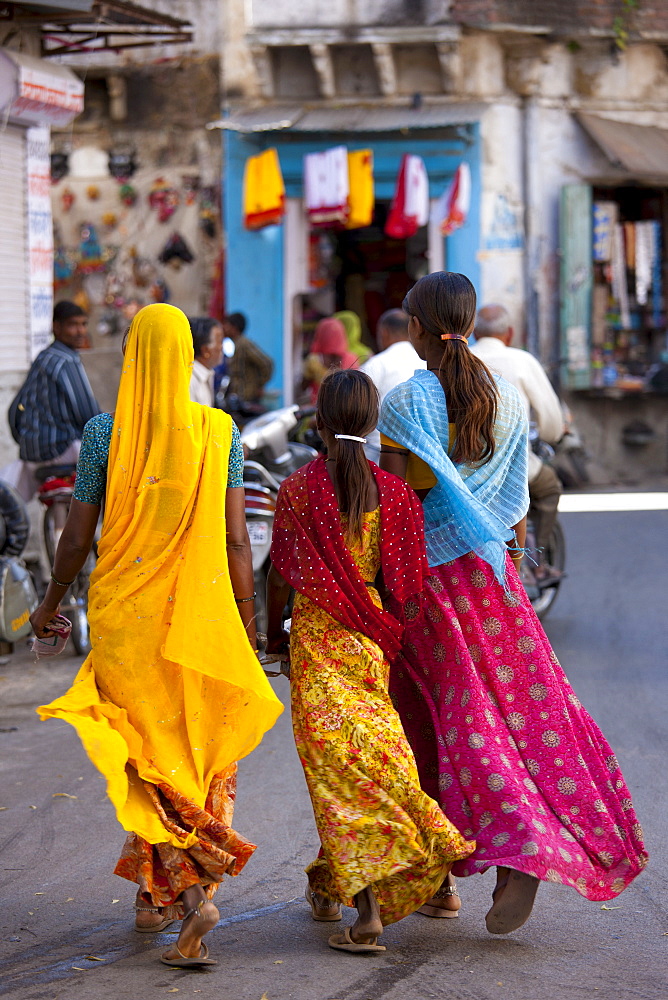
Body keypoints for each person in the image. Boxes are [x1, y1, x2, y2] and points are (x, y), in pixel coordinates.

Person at [378, 272, 648, 934]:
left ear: (415, 328)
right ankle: (510, 857)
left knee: (440, 720)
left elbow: (398, 499)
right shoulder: (504, 398)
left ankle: (461, 862)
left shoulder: (406, 402)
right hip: (495, 578)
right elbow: (514, 496)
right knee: (522, 717)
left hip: (430, 584)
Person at [30, 304, 283, 968]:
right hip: (199, 619)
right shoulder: (218, 430)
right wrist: (248, 623)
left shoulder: (104, 435)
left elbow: (78, 535)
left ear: (134, 356)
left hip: (125, 619)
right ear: (188, 356)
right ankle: (156, 893)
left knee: (146, 760)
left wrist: (50, 603)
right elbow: (234, 539)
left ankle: (193, 893)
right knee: (190, 754)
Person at [265, 369, 474, 954]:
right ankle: (339, 885)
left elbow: (283, 577)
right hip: (370, 643)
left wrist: (273, 636)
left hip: (314, 641)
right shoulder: (398, 493)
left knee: (336, 779)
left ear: (320, 419)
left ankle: (368, 915)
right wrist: (384, 627)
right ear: (372, 420)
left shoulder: (298, 490)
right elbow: (403, 586)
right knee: (377, 763)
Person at [470, 304, 565, 583]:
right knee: (548, 488)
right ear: (510, 333)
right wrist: (551, 436)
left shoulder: (463, 359)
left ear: (475, 332)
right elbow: (550, 418)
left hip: (466, 465)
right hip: (513, 466)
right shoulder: (521, 360)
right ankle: (539, 562)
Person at [6, 301, 100, 501]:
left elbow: (15, 409)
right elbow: (86, 412)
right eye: (73, 325)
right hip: (61, 450)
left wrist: (25, 440)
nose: (80, 331)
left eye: (84, 324)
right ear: (56, 327)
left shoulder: (43, 357)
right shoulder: (66, 360)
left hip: (31, 454)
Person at [361, 309, 426, 460]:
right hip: (418, 452)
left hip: (378, 450)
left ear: (384, 332)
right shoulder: (425, 363)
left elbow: (359, 406)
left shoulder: (376, 364)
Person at [302, 317, 360, 404]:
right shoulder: (352, 359)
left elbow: (303, 386)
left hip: (318, 409)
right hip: (344, 409)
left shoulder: (313, 360)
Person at [224, 312, 274, 404]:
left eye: (227, 325)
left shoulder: (244, 344)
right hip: (239, 397)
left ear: (234, 327)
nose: (224, 328)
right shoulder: (234, 344)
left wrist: (259, 386)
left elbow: (267, 363)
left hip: (248, 397)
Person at [189, 317, 224, 406]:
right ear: (205, 350)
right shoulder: (190, 381)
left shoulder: (207, 374)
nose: (222, 347)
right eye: (219, 341)